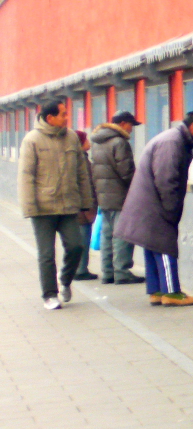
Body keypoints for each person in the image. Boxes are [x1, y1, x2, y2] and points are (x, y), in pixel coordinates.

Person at [114, 112, 193, 307]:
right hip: (155, 203)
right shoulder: (173, 142)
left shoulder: (174, 139)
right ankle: (171, 292)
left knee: (152, 245)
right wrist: (170, 209)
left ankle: (156, 291)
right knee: (164, 246)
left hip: (147, 201)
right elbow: (166, 178)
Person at [17, 100, 96, 310]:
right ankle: (50, 294)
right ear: (50, 118)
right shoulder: (32, 140)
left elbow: (81, 172)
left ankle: (65, 280)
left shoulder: (71, 137)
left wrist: (86, 201)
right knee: (46, 254)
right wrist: (29, 207)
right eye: (63, 114)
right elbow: (26, 176)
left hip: (68, 205)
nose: (67, 117)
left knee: (76, 246)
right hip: (43, 208)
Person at [90, 111, 144, 285]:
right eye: (130, 125)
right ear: (122, 124)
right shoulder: (120, 142)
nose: (131, 129)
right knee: (122, 234)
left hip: (103, 196)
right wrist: (138, 188)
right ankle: (121, 272)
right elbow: (126, 171)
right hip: (120, 196)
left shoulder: (97, 141)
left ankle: (108, 272)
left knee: (107, 234)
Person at [73, 130, 100, 281]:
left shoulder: (77, 158)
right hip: (83, 207)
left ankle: (79, 268)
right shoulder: (81, 160)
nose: (89, 142)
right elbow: (87, 183)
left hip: (79, 206)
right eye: (86, 139)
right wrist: (89, 206)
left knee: (79, 238)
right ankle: (80, 269)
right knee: (83, 238)